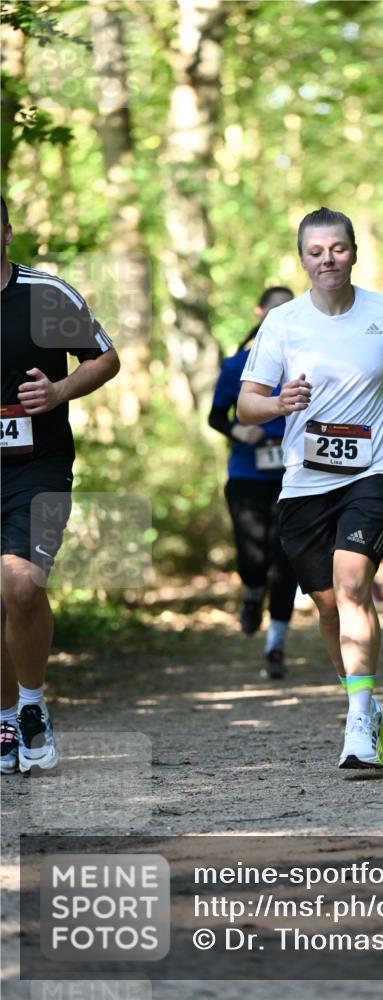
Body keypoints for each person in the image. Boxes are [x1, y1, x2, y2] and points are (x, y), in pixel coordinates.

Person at [237, 207, 383, 769]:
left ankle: (357, 721)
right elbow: (245, 402)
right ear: (302, 259)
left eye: (338, 249)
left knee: (352, 585)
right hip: (306, 481)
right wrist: (278, 403)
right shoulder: (284, 324)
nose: (328, 259)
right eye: (315, 251)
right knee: (328, 605)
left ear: (354, 251)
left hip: (374, 471)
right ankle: (363, 702)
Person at [1, 196, 120, 775]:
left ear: (7, 232)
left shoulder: (46, 294)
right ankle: (2, 719)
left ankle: (30, 704)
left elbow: (105, 358)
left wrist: (56, 393)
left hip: (37, 468)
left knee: (21, 586)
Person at [208, 286, 298, 679]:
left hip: (296, 477)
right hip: (247, 475)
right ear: (259, 313)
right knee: (254, 560)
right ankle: (250, 592)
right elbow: (216, 416)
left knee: (286, 562)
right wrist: (237, 431)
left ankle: (275, 645)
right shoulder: (237, 365)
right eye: (273, 311)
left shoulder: (307, 361)